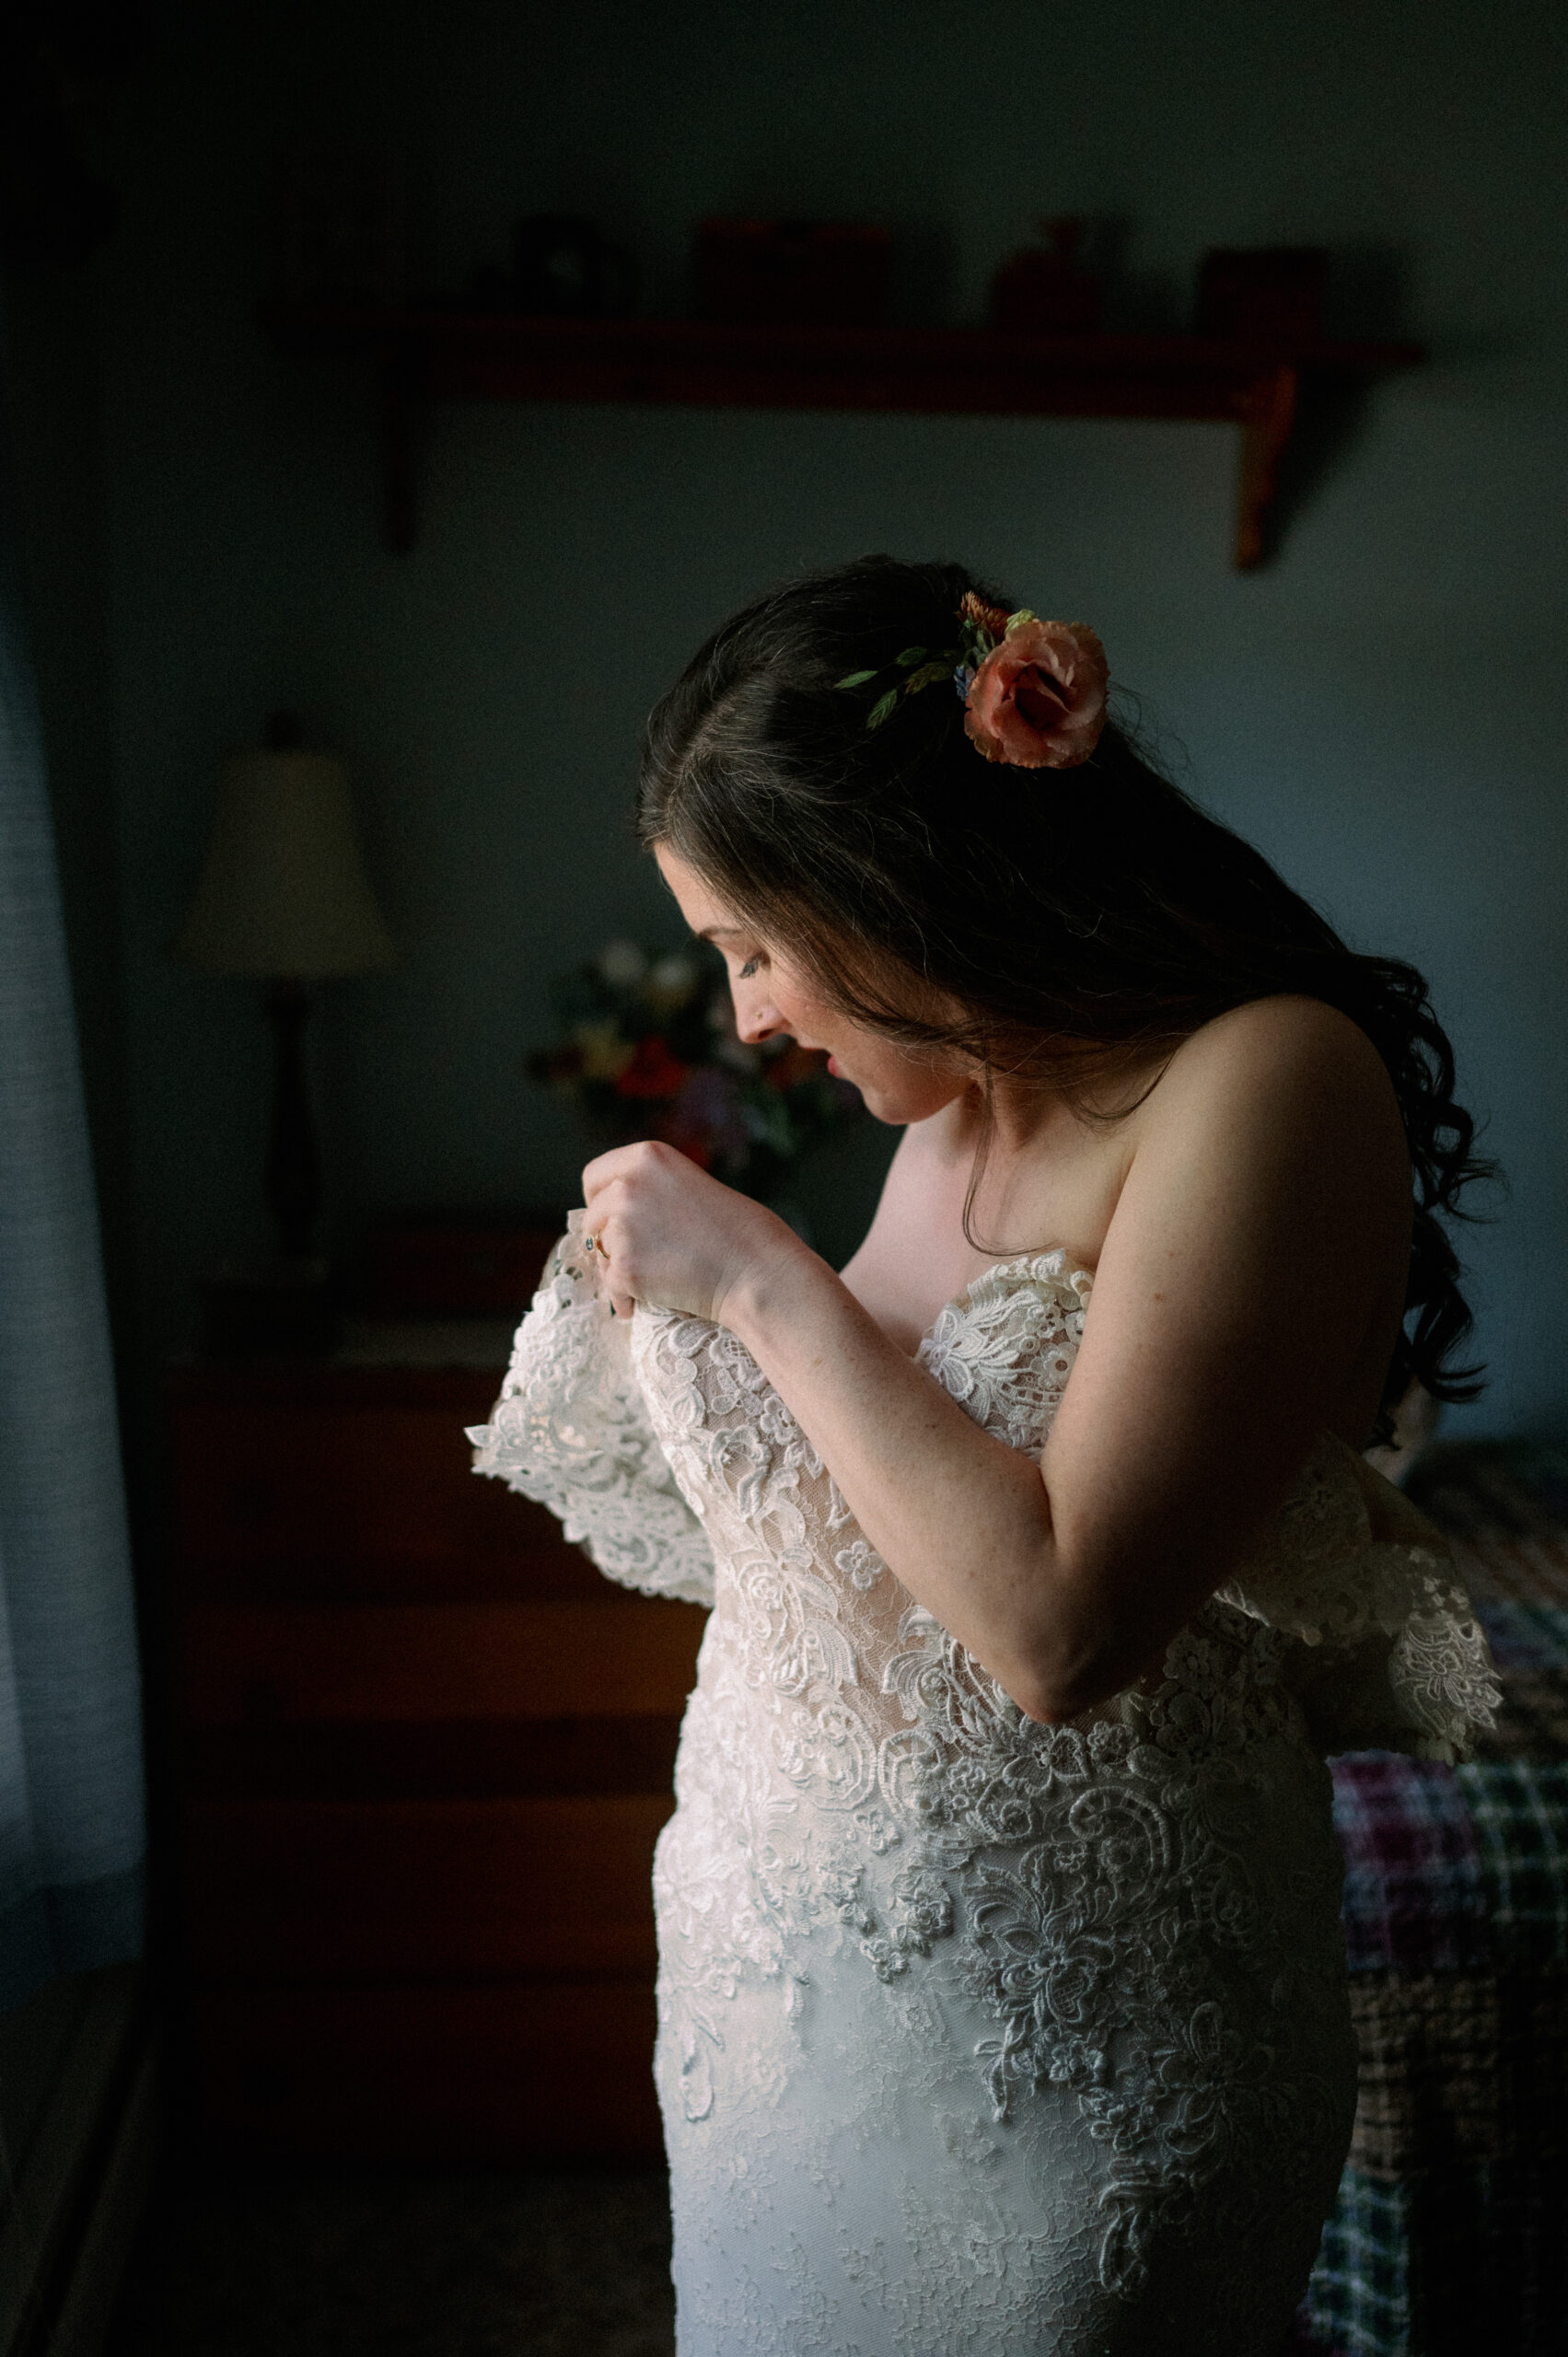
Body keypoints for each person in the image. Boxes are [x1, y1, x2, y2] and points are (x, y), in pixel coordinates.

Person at [470, 556, 1498, 2355]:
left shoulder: (1266, 1080)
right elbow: (865, 1516)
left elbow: (1056, 1624)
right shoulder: (956, 1106)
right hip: (781, 2009)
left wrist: (765, 1281)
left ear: (898, 880)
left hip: (1074, 2061)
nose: (752, 1016)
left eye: (757, 945)